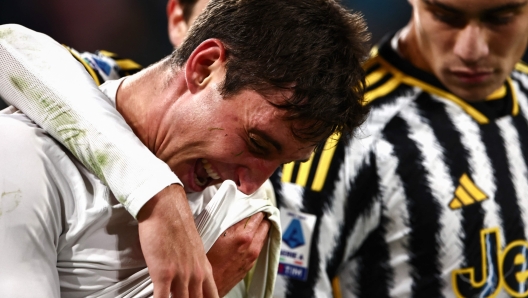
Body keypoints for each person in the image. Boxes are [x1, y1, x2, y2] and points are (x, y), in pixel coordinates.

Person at [0, 0, 371, 297]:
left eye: (282, 161)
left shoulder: (241, 217)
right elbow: (11, 47)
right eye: (257, 142)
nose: (250, 184)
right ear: (205, 66)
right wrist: (155, 192)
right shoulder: (25, 156)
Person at [272, 0, 528, 296]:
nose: (471, 50)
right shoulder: (339, 124)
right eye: (446, 17)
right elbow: (286, 287)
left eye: (501, 19)